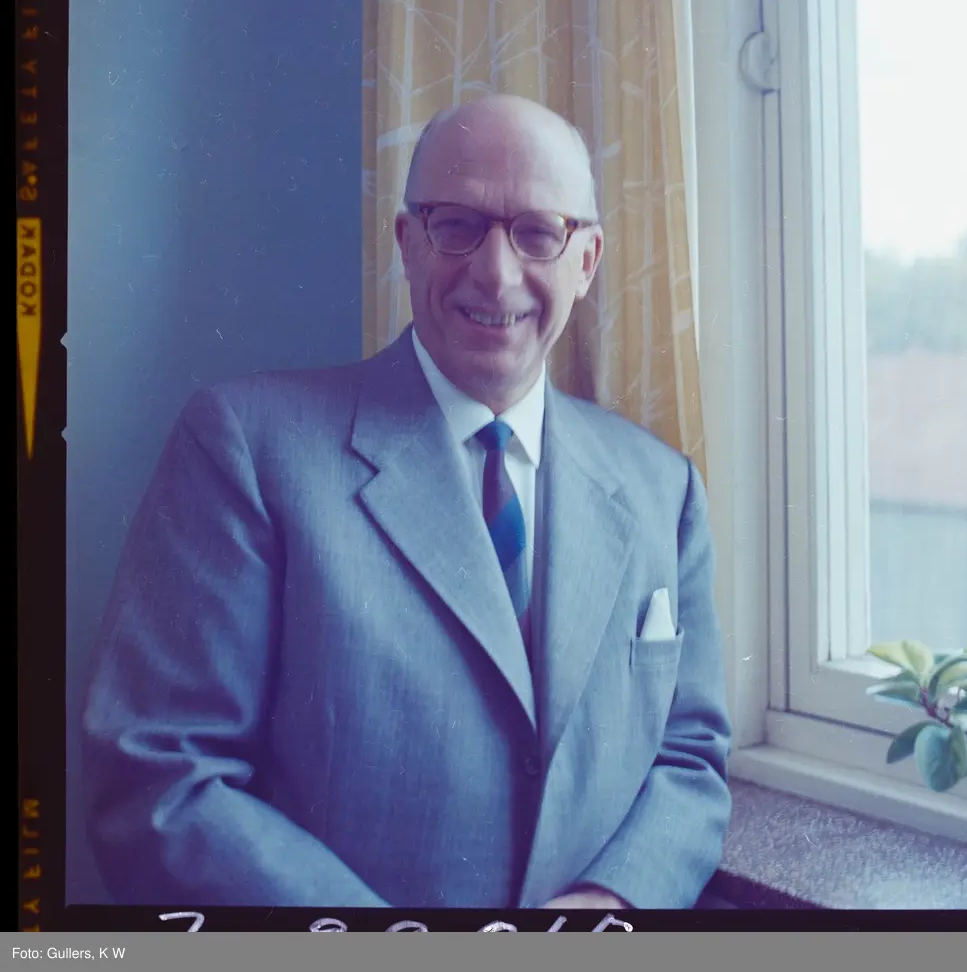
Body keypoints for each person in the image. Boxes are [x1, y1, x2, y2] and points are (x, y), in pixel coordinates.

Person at [82, 93, 732, 911]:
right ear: (406, 243)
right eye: (456, 225)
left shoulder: (663, 487)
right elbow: (162, 777)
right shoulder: (246, 446)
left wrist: (609, 907)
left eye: (538, 233)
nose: (496, 273)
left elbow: (689, 757)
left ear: (587, 260)